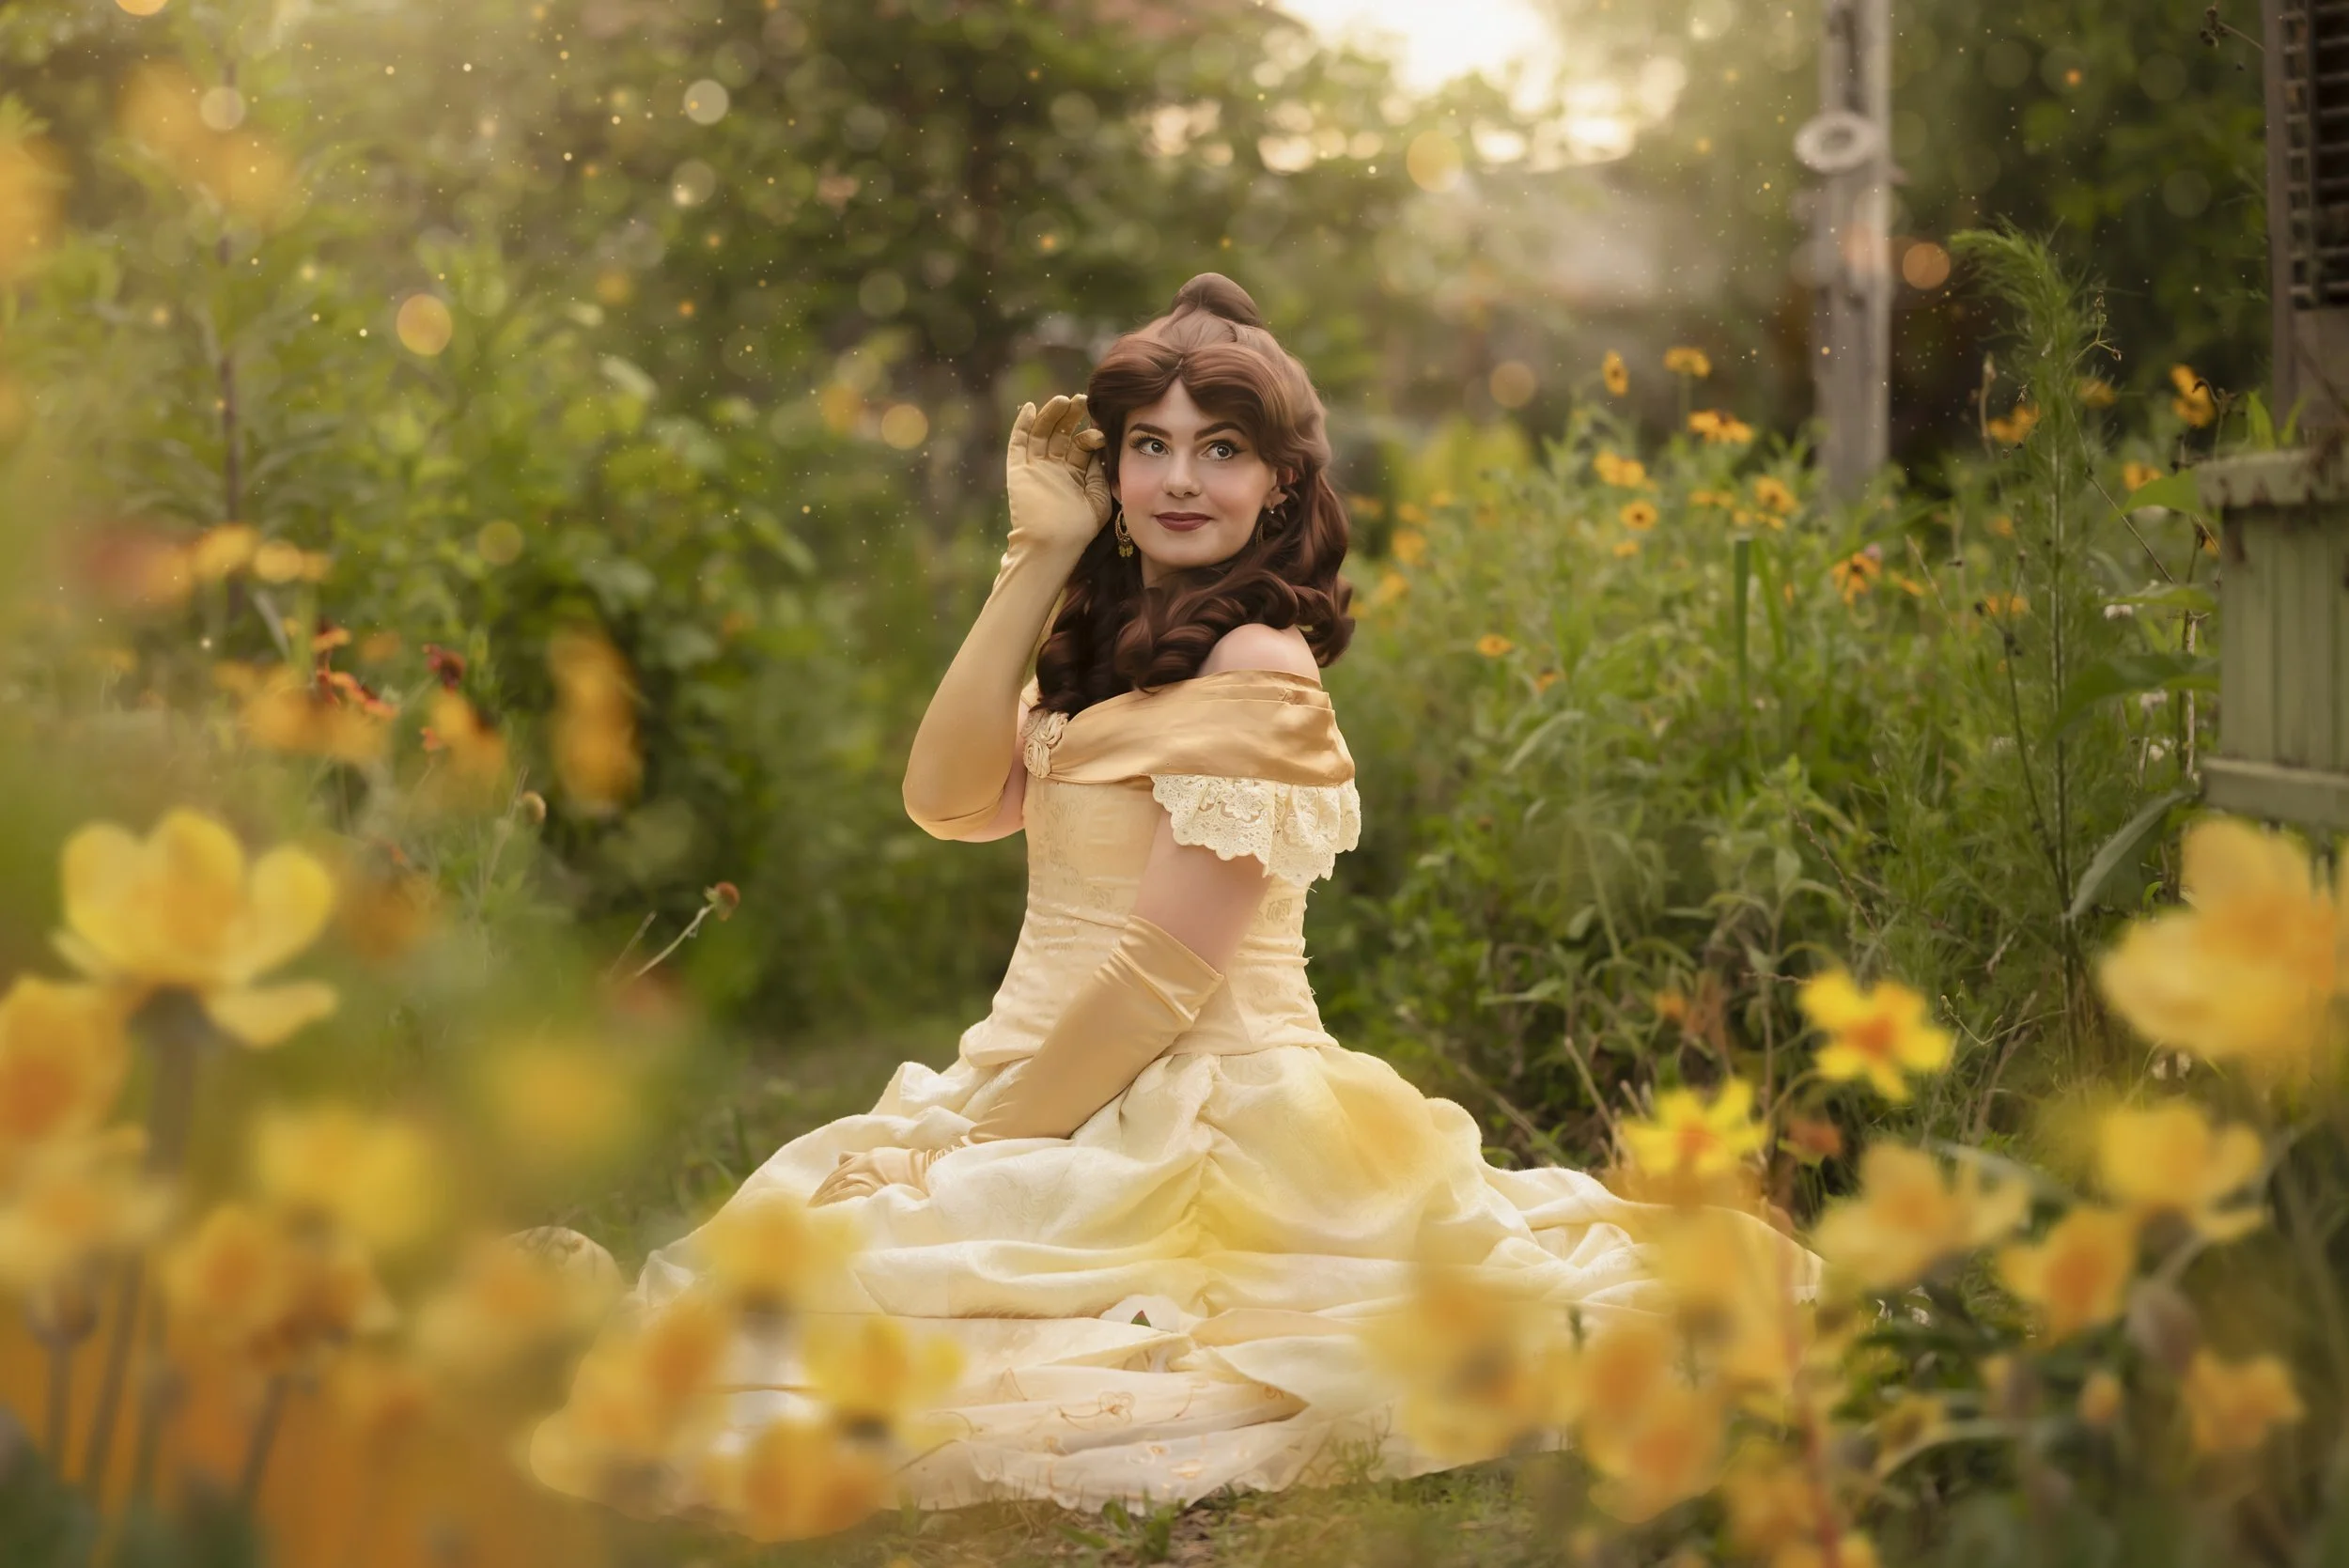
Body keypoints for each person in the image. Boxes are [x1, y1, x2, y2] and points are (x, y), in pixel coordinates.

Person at [531, 273, 1812, 1521]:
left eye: (1222, 450)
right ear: (1115, 472)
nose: (1182, 479)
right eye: (1151, 446)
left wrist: (973, 1146)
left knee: (900, 1276)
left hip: (1208, 1107)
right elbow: (943, 798)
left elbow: (1163, 977)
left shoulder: (1258, 665)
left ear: (1279, 489)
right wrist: (1037, 556)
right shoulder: (1100, 649)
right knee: (820, 1258)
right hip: (1042, 1067)